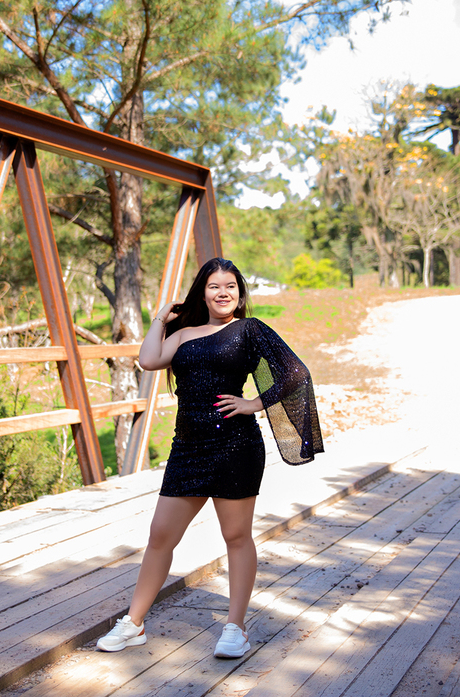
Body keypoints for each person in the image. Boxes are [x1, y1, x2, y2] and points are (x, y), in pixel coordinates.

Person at [95, 257, 323, 659]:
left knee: (236, 537)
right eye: (214, 286)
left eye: (230, 286)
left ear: (239, 292)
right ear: (203, 291)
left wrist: (254, 403)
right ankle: (134, 623)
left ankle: (235, 628)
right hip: (188, 448)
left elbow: (295, 373)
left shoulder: (249, 330)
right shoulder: (184, 334)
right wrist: (159, 321)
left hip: (236, 446)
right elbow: (149, 361)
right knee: (160, 536)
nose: (223, 293)